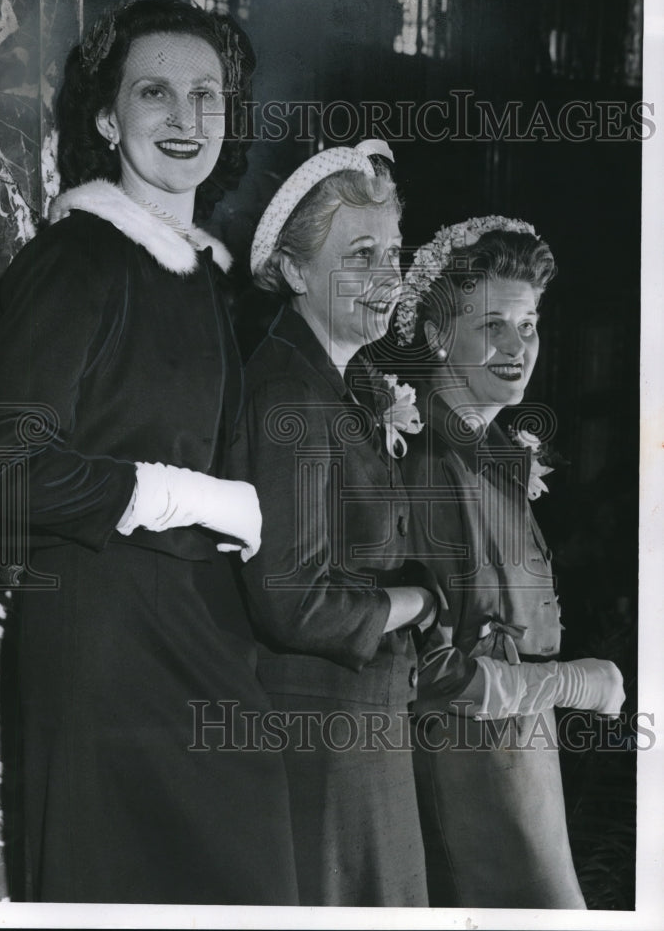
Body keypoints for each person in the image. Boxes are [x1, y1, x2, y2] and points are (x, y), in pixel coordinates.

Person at [0, 0, 299, 904]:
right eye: (156, 93)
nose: (186, 120)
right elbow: (5, 475)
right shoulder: (78, 260)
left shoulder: (201, 275)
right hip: (106, 646)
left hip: (200, 638)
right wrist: (189, 496)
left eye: (208, 96)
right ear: (109, 118)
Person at [391, 216, 625, 909]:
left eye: (529, 325)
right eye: (493, 324)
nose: (518, 346)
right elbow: (428, 674)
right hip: (470, 768)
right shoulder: (431, 461)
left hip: (521, 754)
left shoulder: (484, 452)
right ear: (438, 335)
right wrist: (574, 684)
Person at [230, 140, 439, 906]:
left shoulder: (331, 381)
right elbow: (294, 600)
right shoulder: (289, 392)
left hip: (356, 729)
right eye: (360, 253)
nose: (389, 278)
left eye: (394, 252)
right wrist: (419, 600)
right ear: (292, 271)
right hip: (322, 738)